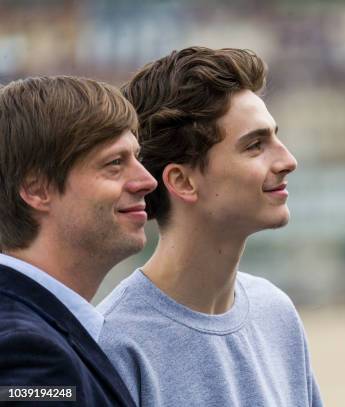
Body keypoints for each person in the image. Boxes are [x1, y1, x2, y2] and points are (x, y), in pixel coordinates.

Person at [97, 47, 323, 406]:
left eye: (275, 138)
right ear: (183, 182)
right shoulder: (114, 346)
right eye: (255, 145)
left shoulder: (276, 313)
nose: (287, 160)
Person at [0, 76, 157, 406]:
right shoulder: (27, 350)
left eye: (137, 158)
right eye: (115, 163)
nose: (147, 180)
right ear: (37, 190)